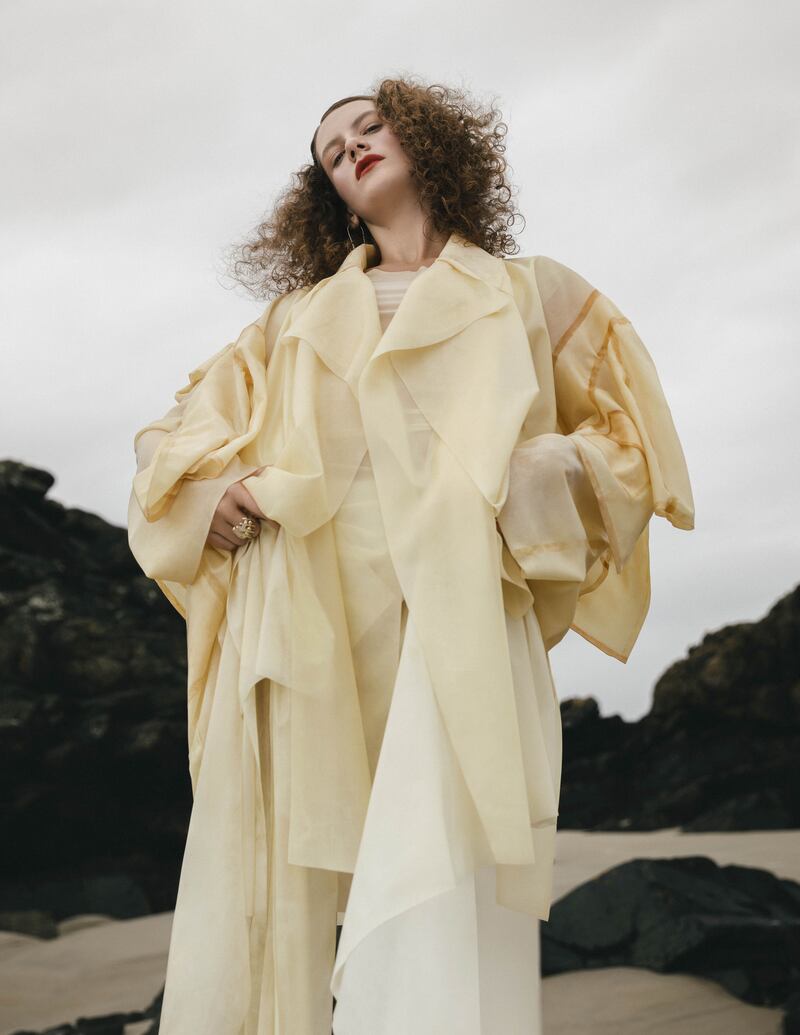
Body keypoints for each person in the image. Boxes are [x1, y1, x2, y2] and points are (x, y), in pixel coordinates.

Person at [127, 74, 695, 1035]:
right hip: (310, 622)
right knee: (289, 891)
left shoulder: (529, 291)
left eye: (367, 125)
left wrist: (536, 470)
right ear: (330, 196)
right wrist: (211, 493)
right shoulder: (292, 319)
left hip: (458, 618)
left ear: (425, 136)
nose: (350, 147)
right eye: (329, 152)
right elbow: (172, 436)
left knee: (444, 882)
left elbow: (638, 444)